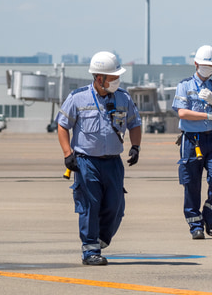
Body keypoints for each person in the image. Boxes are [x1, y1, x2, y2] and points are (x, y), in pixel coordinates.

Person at [56, 51, 142, 265]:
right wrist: (68, 154)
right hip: (87, 162)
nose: (116, 81)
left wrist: (136, 147)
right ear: (98, 78)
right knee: (90, 206)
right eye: (112, 77)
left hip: (113, 162)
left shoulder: (123, 97)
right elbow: (62, 125)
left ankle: (100, 239)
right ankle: (90, 250)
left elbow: (135, 123)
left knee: (116, 206)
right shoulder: (77, 98)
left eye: (117, 77)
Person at [172, 45, 212, 240]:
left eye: (211, 65)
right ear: (196, 64)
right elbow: (182, 112)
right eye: (205, 64)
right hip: (191, 139)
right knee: (191, 184)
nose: (208, 68)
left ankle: (209, 217)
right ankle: (195, 224)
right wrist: (208, 115)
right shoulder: (185, 86)